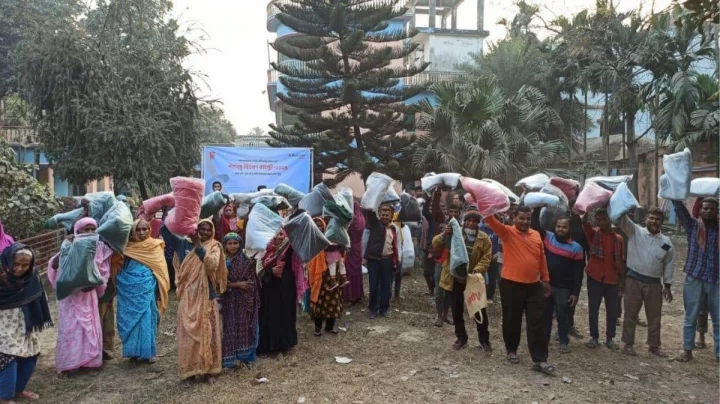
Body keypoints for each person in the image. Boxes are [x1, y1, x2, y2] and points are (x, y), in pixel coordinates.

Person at [486, 206, 554, 375]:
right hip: (510, 284)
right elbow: (490, 220)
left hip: (534, 286)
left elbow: (542, 259)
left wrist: (546, 280)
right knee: (511, 319)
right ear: (514, 217)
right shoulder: (507, 232)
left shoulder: (536, 235)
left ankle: (540, 359)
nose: (524, 221)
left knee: (537, 322)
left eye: (527, 219)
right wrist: (485, 202)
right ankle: (511, 350)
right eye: (521, 218)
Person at [161, 219, 227, 381]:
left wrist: (199, 245)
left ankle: (208, 370)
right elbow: (166, 233)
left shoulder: (214, 246)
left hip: (207, 295)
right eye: (200, 229)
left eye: (207, 230)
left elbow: (212, 265)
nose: (203, 232)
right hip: (188, 296)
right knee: (188, 334)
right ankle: (190, 369)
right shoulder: (183, 244)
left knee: (207, 332)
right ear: (194, 230)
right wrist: (165, 213)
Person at [48, 218, 113, 373]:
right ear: (77, 231)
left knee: (89, 327)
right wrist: (67, 247)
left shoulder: (100, 248)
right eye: (85, 229)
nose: (90, 232)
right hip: (70, 298)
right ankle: (70, 364)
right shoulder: (69, 244)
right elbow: (55, 266)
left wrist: (94, 283)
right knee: (71, 328)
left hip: (88, 296)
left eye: (92, 229)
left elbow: (104, 270)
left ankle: (90, 362)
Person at [433, 207, 493, 351]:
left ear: (478, 223)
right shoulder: (455, 233)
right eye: (469, 221)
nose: (471, 224)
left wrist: (476, 271)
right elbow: (436, 244)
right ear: (464, 222)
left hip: (473, 279)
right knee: (456, 310)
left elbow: (486, 258)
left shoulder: (484, 239)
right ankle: (461, 338)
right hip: (455, 279)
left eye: (474, 221)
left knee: (479, 310)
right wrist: (444, 234)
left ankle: (484, 340)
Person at [0, 244, 52, 403]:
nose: (20, 268)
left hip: (25, 323)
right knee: (7, 358)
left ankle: (19, 389)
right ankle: (4, 397)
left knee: (30, 355)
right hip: (3, 323)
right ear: (8, 260)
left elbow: (39, 296)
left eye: (25, 265)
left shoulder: (32, 275)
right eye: (16, 264)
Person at [619, 207, 674, 357]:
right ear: (645, 219)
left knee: (655, 316)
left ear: (662, 222)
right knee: (630, 313)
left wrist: (667, 285)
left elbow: (668, 264)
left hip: (654, 283)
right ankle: (628, 344)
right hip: (633, 279)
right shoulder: (635, 231)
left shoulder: (666, 242)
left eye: (657, 219)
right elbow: (622, 218)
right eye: (651, 218)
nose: (654, 221)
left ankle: (654, 346)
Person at [117, 219, 170, 362]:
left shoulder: (155, 245)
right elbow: (118, 264)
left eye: (144, 229)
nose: (141, 232)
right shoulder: (127, 247)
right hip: (128, 287)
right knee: (130, 318)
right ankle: (132, 352)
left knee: (147, 316)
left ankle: (147, 352)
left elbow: (161, 269)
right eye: (138, 230)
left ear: (149, 230)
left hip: (147, 287)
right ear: (133, 231)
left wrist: (160, 284)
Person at [531, 209, 584, 353]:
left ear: (569, 229)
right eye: (559, 226)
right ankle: (545, 339)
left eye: (564, 227)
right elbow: (535, 225)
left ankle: (563, 341)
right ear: (555, 227)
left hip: (564, 289)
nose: (561, 229)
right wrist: (537, 207)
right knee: (545, 314)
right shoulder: (548, 238)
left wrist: (575, 293)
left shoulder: (577, 248)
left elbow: (578, 273)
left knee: (562, 315)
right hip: (547, 285)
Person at [673, 198, 718, 362]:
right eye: (705, 208)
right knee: (691, 316)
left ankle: (719, 354)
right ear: (700, 210)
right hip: (695, 277)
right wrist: (674, 195)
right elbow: (680, 210)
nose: (708, 211)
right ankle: (687, 350)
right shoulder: (693, 226)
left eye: (712, 209)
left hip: (715, 280)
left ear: (716, 212)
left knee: (718, 319)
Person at [581, 209, 625, 351]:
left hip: (612, 279)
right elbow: (585, 224)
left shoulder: (618, 239)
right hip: (595, 277)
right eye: (598, 220)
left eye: (603, 219)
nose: (601, 222)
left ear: (609, 219)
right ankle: (594, 337)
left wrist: (622, 281)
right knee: (593, 309)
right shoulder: (593, 234)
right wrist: (587, 208)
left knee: (611, 310)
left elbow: (622, 261)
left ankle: (610, 338)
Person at [220, 233, 260, 368]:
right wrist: (237, 285)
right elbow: (219, 283)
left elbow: (251, 281)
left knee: (245, 327)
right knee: (229, 327)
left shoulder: (246, 260)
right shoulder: (221, 261)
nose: (233, 246)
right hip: (228, 299)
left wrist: (245, 286)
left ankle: (246, 357)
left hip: (244, 299)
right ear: (225, 245)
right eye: (229, 243)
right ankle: (229, 359)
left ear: (240, 244)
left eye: (235, 243)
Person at [256, 229, 299, 355]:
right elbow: (258, 271)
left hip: (287, 288)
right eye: (275, 234)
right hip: (269, 289)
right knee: (271, 314)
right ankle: (271, 345)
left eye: (281, 234)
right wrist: (271, 270)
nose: (278, 237)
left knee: (285, 314)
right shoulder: (264, 249)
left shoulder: (289, 247)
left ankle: (285, 344)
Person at [307, 218, 344, 336]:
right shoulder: (311, 241)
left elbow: (340, 253)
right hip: (318, 275)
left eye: (321, 225)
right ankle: (317, 329)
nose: (319, 227)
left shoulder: (332, 238)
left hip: (332, 275)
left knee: (333, 300)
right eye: (316, 225)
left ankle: (329, 327)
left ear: (325, 227)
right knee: (318, 301)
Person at [430, 188, 460, 327]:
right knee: (439, 289)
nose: (453, 214)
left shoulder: (462, 226)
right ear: (447, 213)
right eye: (451, 212)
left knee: (449, 289)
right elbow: (435, 207)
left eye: (456, 212)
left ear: (459, 213)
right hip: (441, 260)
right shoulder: (442, 220)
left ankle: (445, 315)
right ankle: (438, 315)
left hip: (454, 262)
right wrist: (437, 193)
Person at [364, 204, 399, 318]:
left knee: (386, 286)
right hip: (374, 260)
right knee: (373, 285)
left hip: (387, 261)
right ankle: (373, 310)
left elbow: (394, 247)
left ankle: (384, 309)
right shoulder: (375, 224)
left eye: (386, 215)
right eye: (382, 214)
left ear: (391, 216)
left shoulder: (393, 229)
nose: (384, 216)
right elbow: (370, 213)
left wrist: (395, 262)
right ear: (379, 215)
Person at [343, 202, 366, 304]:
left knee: (348, 271)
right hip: (358, 247)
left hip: (349, 247)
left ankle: (349, 294)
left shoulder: (351, 220)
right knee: (357, 271)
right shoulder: (361, 218)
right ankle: (357, 293)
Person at [479, 218, 501, 302]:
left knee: (492, 277)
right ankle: (480, 295)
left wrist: (497, 253)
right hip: (482, 257)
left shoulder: (498, 229)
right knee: (481, 277)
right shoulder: (481, 228)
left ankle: (490, 297)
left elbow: (502, 242)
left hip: (494, 257)